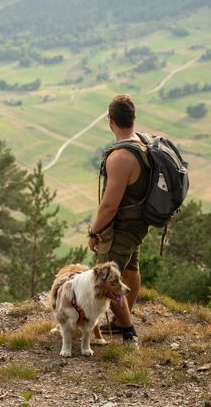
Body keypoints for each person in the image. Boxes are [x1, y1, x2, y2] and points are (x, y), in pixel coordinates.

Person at [87, 94, 149, 346]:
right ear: (132, 119)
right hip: (139, 223)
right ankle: (123, 319)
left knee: (107, 280)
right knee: (131, 268)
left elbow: (110, 205)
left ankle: (128, 331)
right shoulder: (143, 143)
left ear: (110, 121)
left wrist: (95, 232)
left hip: (122, 227)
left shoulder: (121, 157)